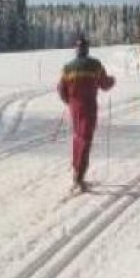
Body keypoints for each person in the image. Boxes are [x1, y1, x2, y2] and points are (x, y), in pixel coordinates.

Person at [57, 35, 116, 192]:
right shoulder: (95, 65)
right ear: (87, 49)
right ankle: (79, 176)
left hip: (74, 108)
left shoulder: (67, 68)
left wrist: (69, 101)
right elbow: (104, 84)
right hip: (89, 106)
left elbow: (61, 89)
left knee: (77, 138)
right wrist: (112, 81)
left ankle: (76, 169)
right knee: (85, 139)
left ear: (76, 50)